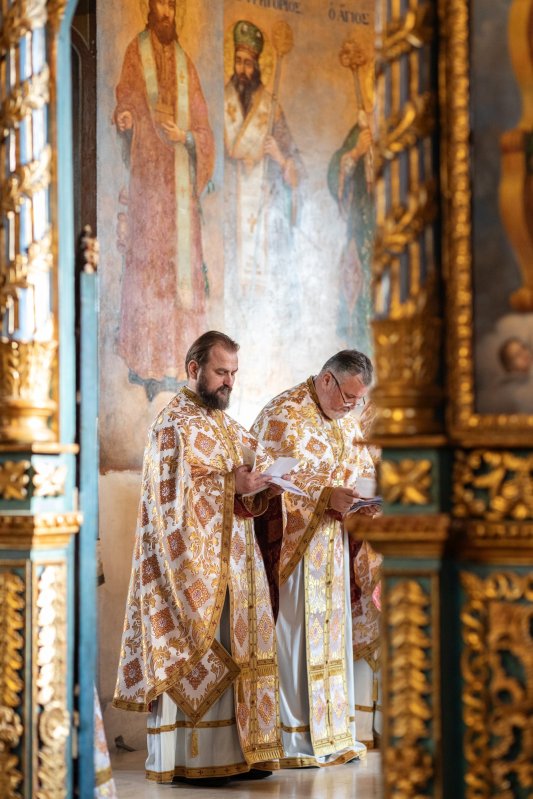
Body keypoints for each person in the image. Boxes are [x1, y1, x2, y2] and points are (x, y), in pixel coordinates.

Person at [113, 331, 284, 785]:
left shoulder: (225, 425)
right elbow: (171, 504)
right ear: (194, 370)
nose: (229, 382)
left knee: (244, 646)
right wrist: (233, 485)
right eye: (221, 372)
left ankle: (244, 752)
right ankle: (195, 760)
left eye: (233, 373)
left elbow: (245, 477)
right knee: (211, 649)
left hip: (237, 561)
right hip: (189, 567)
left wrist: (265, 481)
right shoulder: (173, 424)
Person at [251, 350, 382, 766]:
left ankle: (334, 733)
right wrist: (326, 497)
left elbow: (359, 469)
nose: (351, 407)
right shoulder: (283, 413)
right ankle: (294, 737)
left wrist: (366, 500)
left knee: (333, 638)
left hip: (335, 549)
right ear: (327, 380)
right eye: (347, 396)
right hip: (295, 551)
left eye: (359, 400)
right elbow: (266, 479)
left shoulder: (344, 424)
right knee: (296, 636)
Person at [114, 0, 215, 398]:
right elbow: (127, 100)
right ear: (149, 8)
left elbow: (204, 131)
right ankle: (145, 364)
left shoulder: (186, 63)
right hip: (148, 188)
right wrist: (126, 118)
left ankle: (179, 363)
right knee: (147, 267)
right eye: (160, 3)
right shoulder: (135, 54)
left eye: (172, 5)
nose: (167, 12)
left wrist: (185, 137)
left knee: (179, 275)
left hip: (180, 196)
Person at [224, 18, 303, 290]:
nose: (242, 69)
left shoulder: (271, 109)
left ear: (257, 66)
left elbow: (296, 167)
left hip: (264, 210)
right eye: (238, 61)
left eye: (248, 63)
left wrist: (279, 157)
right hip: (229, 213)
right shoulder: (220, 101)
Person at [327, 35, 375, 354]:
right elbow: (336, 171)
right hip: (361, 234)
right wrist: (357, 153)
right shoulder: (361, 132)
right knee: (359, 304)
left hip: (387, 237)